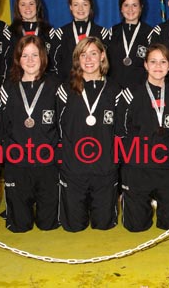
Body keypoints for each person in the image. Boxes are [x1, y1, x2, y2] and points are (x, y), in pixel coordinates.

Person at [116, 43, 169, 232]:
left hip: (168, 166)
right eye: (153, 61)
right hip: (138, 166)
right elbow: (120, 129)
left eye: (163, 62)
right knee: (135, 227)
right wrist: (127, 158)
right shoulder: (130, 93)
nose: (158, 66)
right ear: (145, 65)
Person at [57, 37, 123, 231]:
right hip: (74, 168)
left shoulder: (114, 90)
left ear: (102, 56)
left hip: (104, 168)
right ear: (77, 59)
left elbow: (119, 131)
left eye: (93, 53)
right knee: (73, 227)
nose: (88, 59)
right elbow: (58, 128)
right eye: (83, 55)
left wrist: (115, 161)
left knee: (104, 225)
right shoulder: (65, 90)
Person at [0, 35, 62, 232]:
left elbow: (63, 122)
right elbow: (2, 126)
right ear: (18, 58)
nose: (30, 60)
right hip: (18, 162)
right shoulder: (7, 87)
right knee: (19, 226)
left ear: (43, 57)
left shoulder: (56, 85)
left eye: (35, 54)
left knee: (48, 225)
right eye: (25, 55)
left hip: (47, 161)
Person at [50, 0, 110, 82]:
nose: (80, 9)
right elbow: (54, 65)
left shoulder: (102, 33)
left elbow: (107, 63)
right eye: (76, 4)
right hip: (68, 86)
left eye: (85, 4)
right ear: (70, 7)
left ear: (90, 6)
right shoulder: (60, 34)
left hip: (96, 86)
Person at [108, 0, 155, 89]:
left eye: (134, 5)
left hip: (140, 91)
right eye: (126, 5)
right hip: (114, 90)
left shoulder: (150, 33)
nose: (130, 9)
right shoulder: (112, 32)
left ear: (141, 8)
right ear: (121, 8)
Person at [8, 0, 53, 72]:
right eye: (23, 4)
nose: (27, 8)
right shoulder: (9, 32)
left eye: (31, 4)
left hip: (44, 80)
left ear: (37, 6)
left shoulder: (49, 32)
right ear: (18, 7)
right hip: (18, 80)